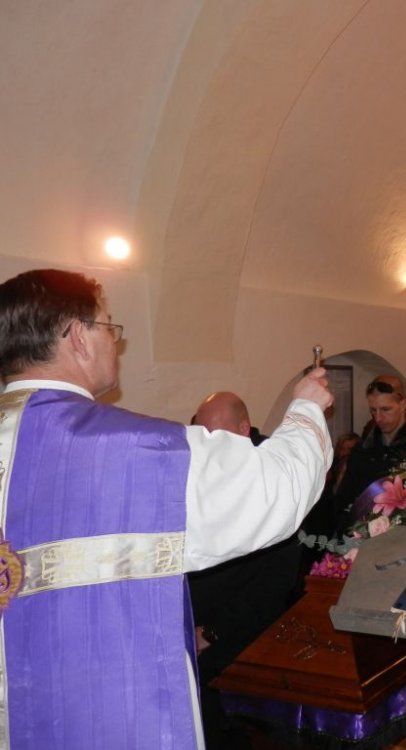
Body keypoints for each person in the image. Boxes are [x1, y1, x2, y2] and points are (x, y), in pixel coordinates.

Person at [0, 268, 333, 749]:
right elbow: (275, 490)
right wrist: (305, 410)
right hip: (110, 721)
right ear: (77, 337)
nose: (116, 342)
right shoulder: (139, 451)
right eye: (108, 327)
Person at [189, 391, 306, 748]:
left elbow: (274, 580)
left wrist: (213, 632)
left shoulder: (274, 475)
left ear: (244, 429)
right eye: (202, 435)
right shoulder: (204, 468)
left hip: (246, 640)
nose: (208, 445)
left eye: (216, 435)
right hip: (200, 632)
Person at [332, 377, 406, 533]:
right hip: (363, 534)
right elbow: (345, 500)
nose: (378, 418)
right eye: (373, 410)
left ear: (403, 404)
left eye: (386, 409)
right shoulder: (361, 450)